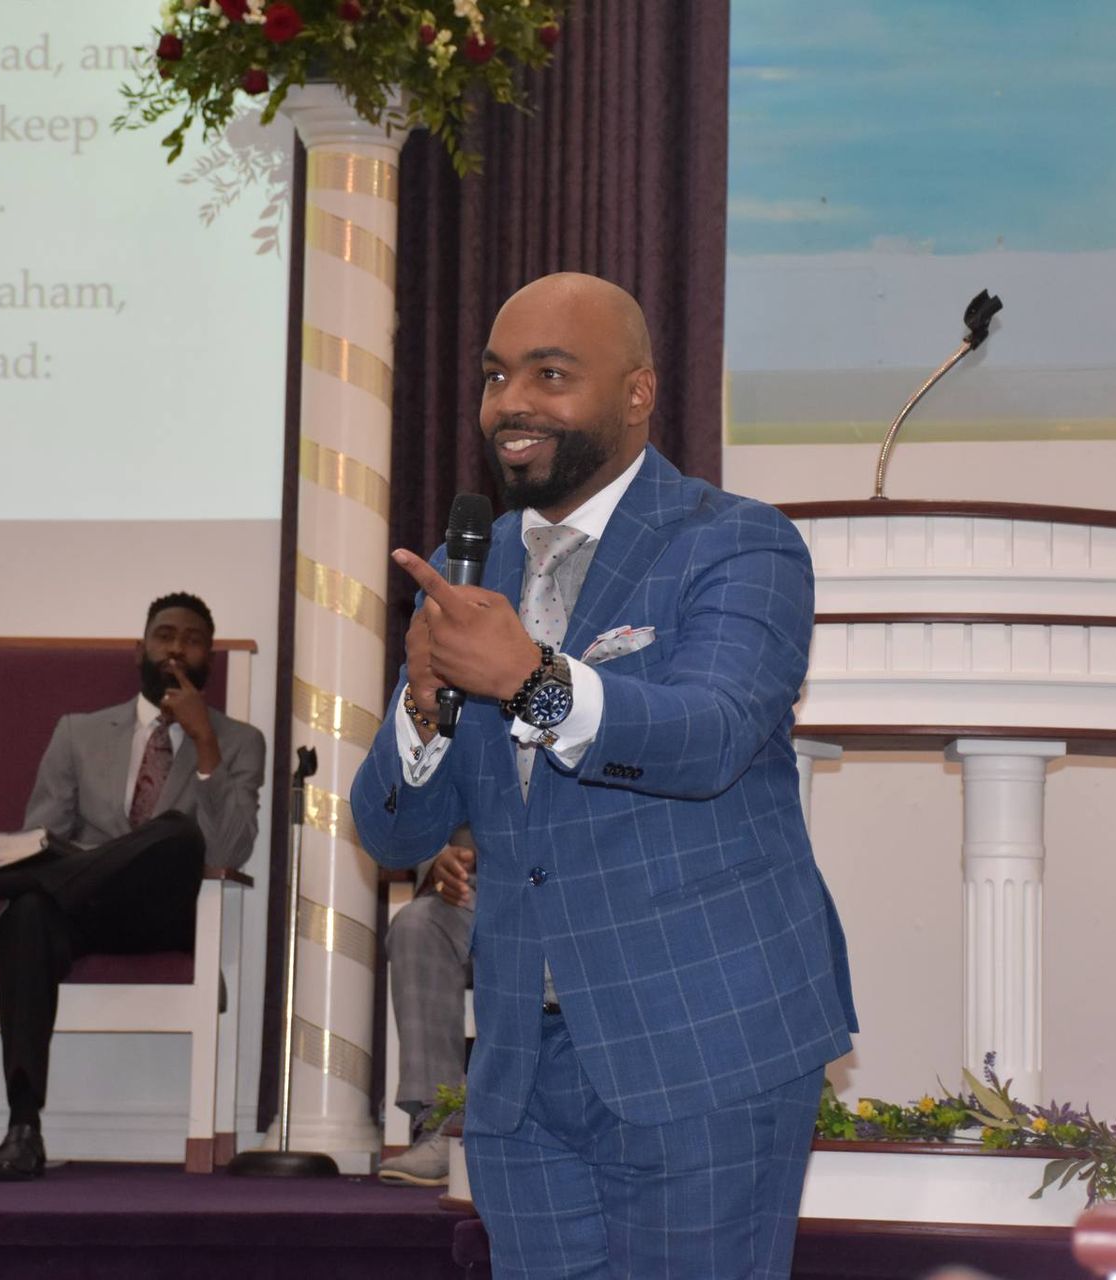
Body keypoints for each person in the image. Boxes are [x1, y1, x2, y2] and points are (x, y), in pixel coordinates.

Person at [349, 273, 856, 1277]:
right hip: (521, 1076)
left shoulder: (737, 541)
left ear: (635, 394)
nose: (512, 402)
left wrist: (529, 680)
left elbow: (706, 735)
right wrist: (420, 714)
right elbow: (398, 833)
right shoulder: (473, 565)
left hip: (702, 1044)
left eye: (551, 373)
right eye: (497, 376)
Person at [0, 592, 264, 1181]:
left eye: (193, 639)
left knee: (178, 834)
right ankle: (23, 1128)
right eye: (165, 634)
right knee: (26, 916)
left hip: (166, 915)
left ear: (209, 659)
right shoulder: (78, 732)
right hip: (82, 906)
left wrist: (204, 744)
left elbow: (227, 851)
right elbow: (36, 837)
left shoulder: (239, 741)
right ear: (140, 651)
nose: (177, 647)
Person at [377, 824, 476, 1187]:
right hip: (473, 894)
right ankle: (443, 1123)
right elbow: (417, 810)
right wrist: (438, 860)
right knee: (416, 924)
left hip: (569, 892)